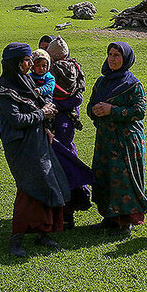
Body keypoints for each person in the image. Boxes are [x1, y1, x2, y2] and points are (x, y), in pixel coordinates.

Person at [0, 42, 70, 257]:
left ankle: (43, 232)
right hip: (20, 145)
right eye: (27, 60)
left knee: (47, 182)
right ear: (17, 63)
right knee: (28, 188)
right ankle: (16, 239)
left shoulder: (26, 81)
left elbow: (38, 105)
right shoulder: (6, 89)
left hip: (38, 140)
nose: (30, 63)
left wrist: (45, 125)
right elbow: (17, 119)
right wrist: (43, 114)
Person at [87, 41, 147, 237]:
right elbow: (90, 105)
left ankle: (125, 222)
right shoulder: (102, 82)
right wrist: (94, 110)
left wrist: (111, 110)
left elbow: (139, 111)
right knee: (105, 176)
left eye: (117, 55)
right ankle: (110, 218)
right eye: (110, 54)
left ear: (126, 59)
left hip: (126, 141)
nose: (112, 59)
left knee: (124, 179)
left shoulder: (133, 84)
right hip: (105, 140)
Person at [47, 37, 93, 229]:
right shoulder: (76, 71)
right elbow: (77, 99)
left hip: (55, 127)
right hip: (68, 125)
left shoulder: (52, 75)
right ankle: (67, 213)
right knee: (67, 162)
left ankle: (64, 215)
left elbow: (46, 98)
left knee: (59, 169)